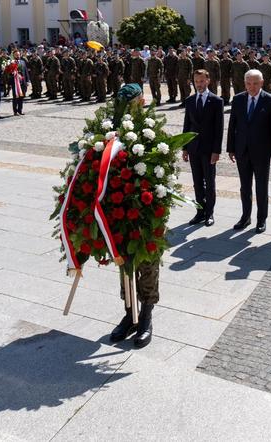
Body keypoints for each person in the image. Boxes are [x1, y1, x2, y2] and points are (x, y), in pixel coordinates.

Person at [109, 84, 160, 349]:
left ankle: (147, 317)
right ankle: (130, 314)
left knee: (147, 262)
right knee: (124, 262)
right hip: (118, 208)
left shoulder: (150, 127)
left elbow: (163, 164)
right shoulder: (110, 128)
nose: (127, 107)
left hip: (146, 210)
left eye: (130, 102)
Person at [227, 69, 271, 234]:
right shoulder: (238, 99)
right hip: (242, 149)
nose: (252, 86)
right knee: (244, 187)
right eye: (249, 83)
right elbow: (232, 125)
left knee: (261, 187)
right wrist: (231, 148)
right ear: (245, 84)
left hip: (262, 152)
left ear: (262, 83)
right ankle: (245, 217)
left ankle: (261, 219)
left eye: (255, 83)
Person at [182, 69, 224, 227]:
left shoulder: (216, 101)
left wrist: (216, 151)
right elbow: (187, 125)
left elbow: (219, 129)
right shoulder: (190, 101)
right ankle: (200, 211)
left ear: (208, 81)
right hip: (193, 148)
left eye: (201, 81)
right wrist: (184, 148)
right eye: (196, 81)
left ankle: (210, 213)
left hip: (208, 149)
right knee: (197, 182)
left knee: (210, 181)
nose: (198, 84)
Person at [10, 50, 29, 116]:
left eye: (18, 54)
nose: (18, 56)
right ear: (13, 55)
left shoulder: (23, 62)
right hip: (15, 83)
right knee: (15, 97)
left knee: (21, 96)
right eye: (16, 55)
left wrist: (27, 81)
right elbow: (9, 73)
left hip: (22, 82)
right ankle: (15, 111)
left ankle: (20, 110)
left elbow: (26, 71)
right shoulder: (11, 63)